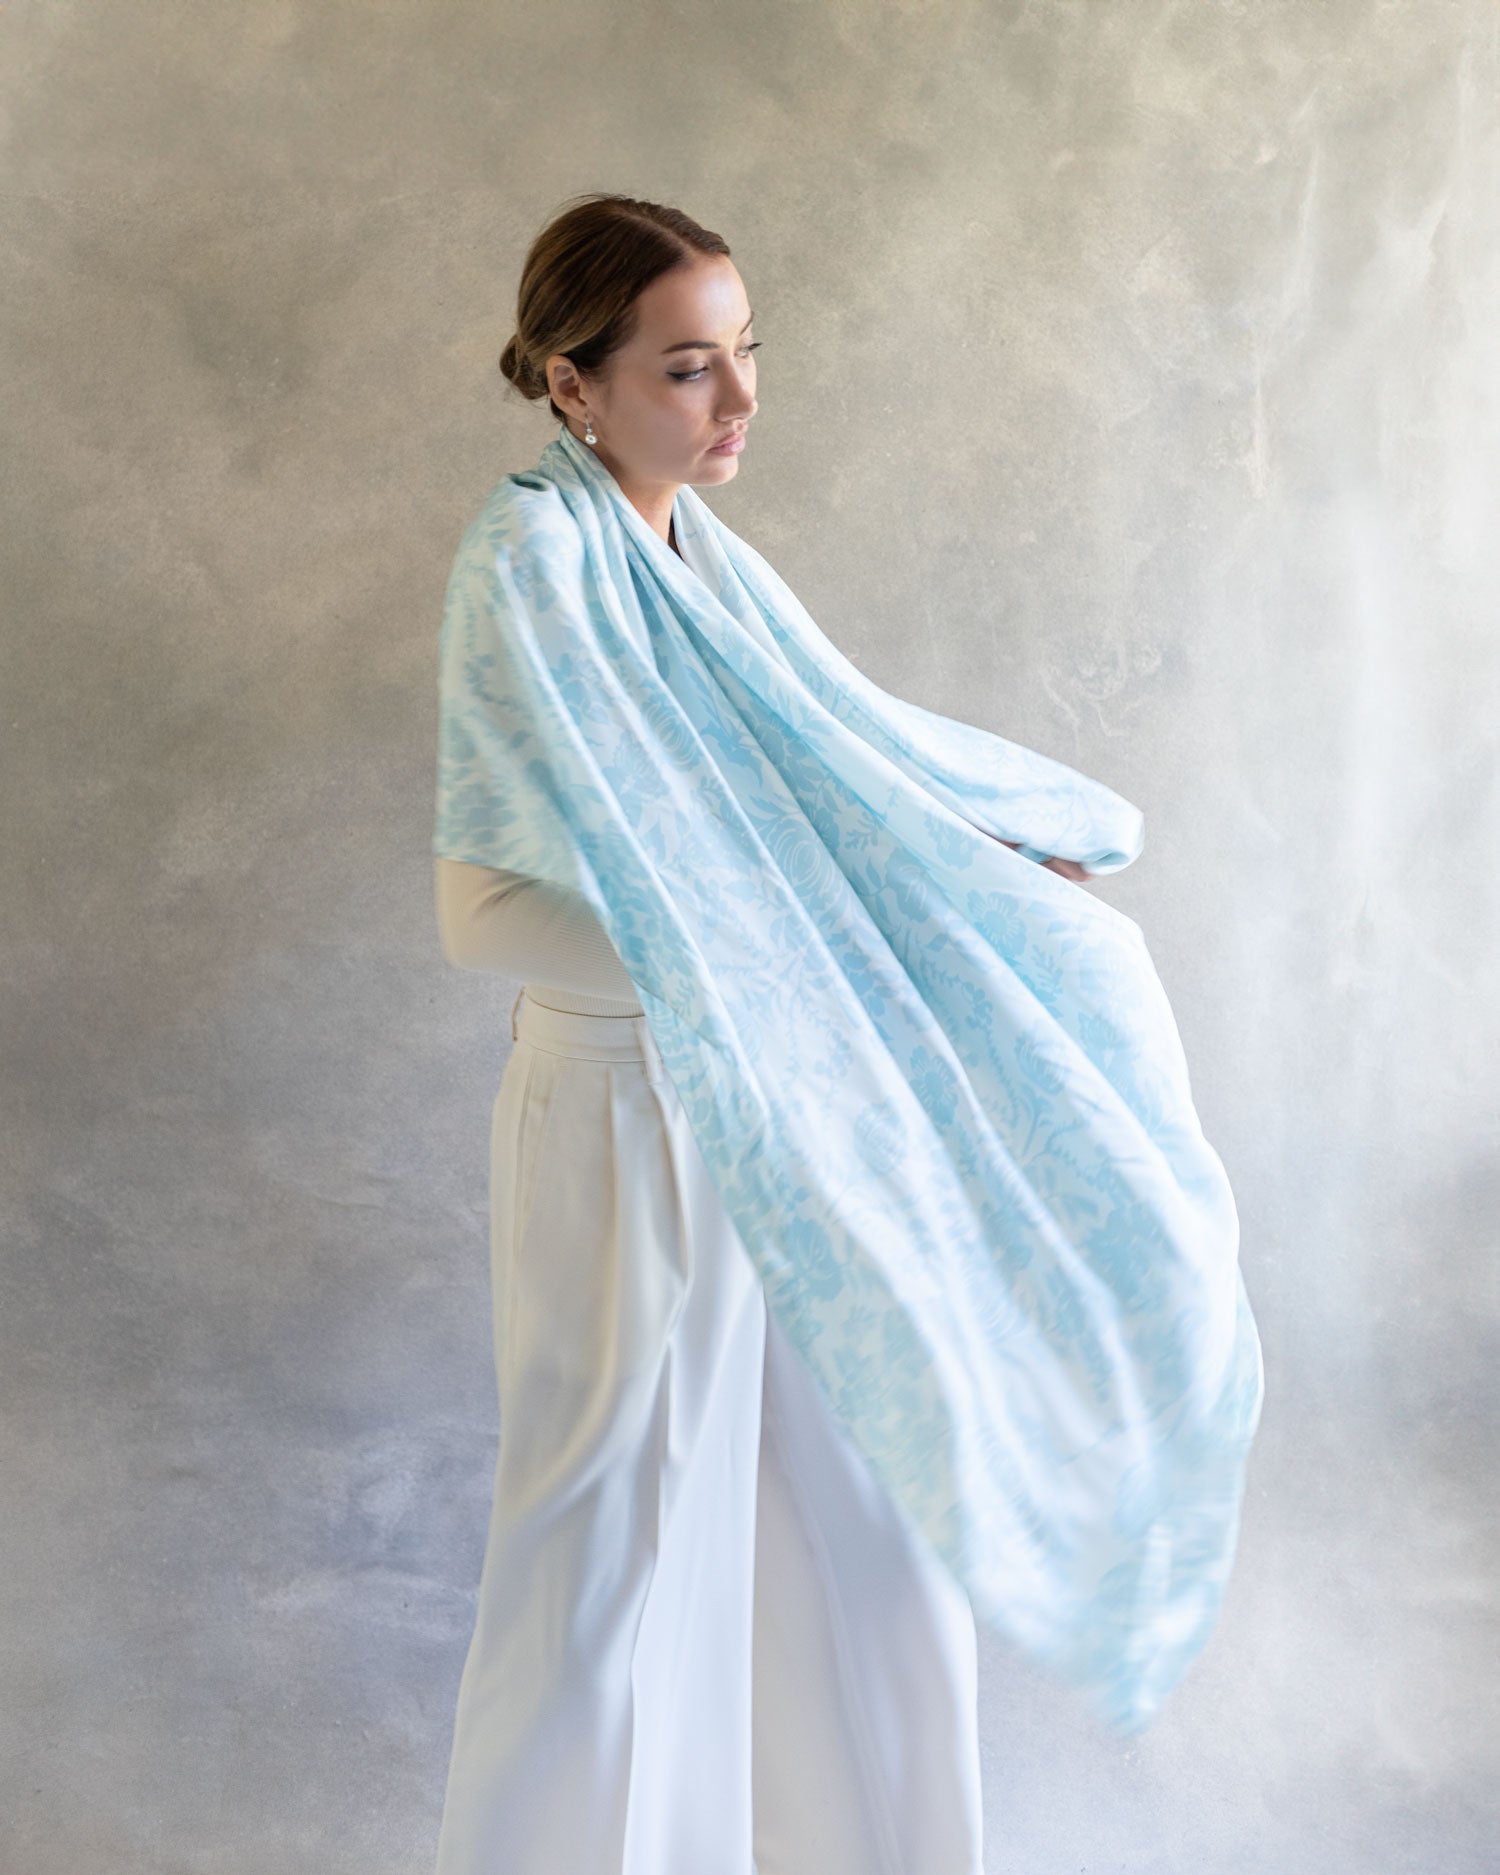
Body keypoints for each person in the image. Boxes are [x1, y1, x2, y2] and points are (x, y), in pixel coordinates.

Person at [430, 195, 994, 1875]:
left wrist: (958, 871)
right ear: (568, 382)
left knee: (863, 1527)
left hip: (771, 1098)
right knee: (606, 1559)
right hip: (621, 1122)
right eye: (689, 367)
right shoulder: (529, 562)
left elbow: (837, 792)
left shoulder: (701, 558)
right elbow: (485, 913)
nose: (738, 401)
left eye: (747, 354)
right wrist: (769, 947)